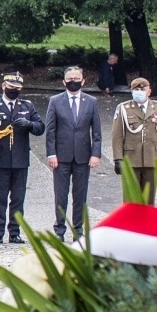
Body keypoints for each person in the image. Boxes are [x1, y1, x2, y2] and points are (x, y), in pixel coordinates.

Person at [44, 66, 103, 241]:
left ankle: (78, 230)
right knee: (61, 195)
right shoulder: (55, 101)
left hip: (83, 157)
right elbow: (50, 130)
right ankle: (59, 230)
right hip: (61, 157)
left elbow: (97, 132)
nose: (73, 82)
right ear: (64, 81)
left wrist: (96, 154)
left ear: (83, 81)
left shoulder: (91, 101)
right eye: (70, 79)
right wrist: (51, 154)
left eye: (77, 79)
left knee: (80, 195)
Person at [0, 72, 44, 244]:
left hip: (20, 160)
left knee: (18, 199)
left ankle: (14, 232)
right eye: (11, 88)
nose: (14, 91)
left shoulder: (26, 106)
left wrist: (29, 124)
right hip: (0, 159)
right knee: (0, 199)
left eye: (17, 89)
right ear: (4, 86)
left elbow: (40, 127)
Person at [111, 78, 157, 201]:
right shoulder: (123, 108)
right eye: (136, 89)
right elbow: (117, 136)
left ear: (149, 91)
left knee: (149, 198)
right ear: (132, 91)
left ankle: (146, 221)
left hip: (152, 159)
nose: (139, 92)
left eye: (142, 89)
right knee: (131, 199)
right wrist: (118, 159)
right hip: (131, 159)